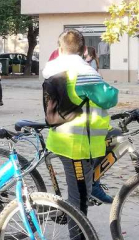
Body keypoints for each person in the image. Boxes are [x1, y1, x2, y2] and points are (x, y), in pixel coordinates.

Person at [42, 29, 118, 234]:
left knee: (115, 135)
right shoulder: (83, 72)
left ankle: (93, 182)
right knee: (79, 199)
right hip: (77, 145)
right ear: (84, 49)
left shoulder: (51, 68)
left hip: (61, 137)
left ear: (59, 49)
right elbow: (108, 98)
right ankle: (78, 235)